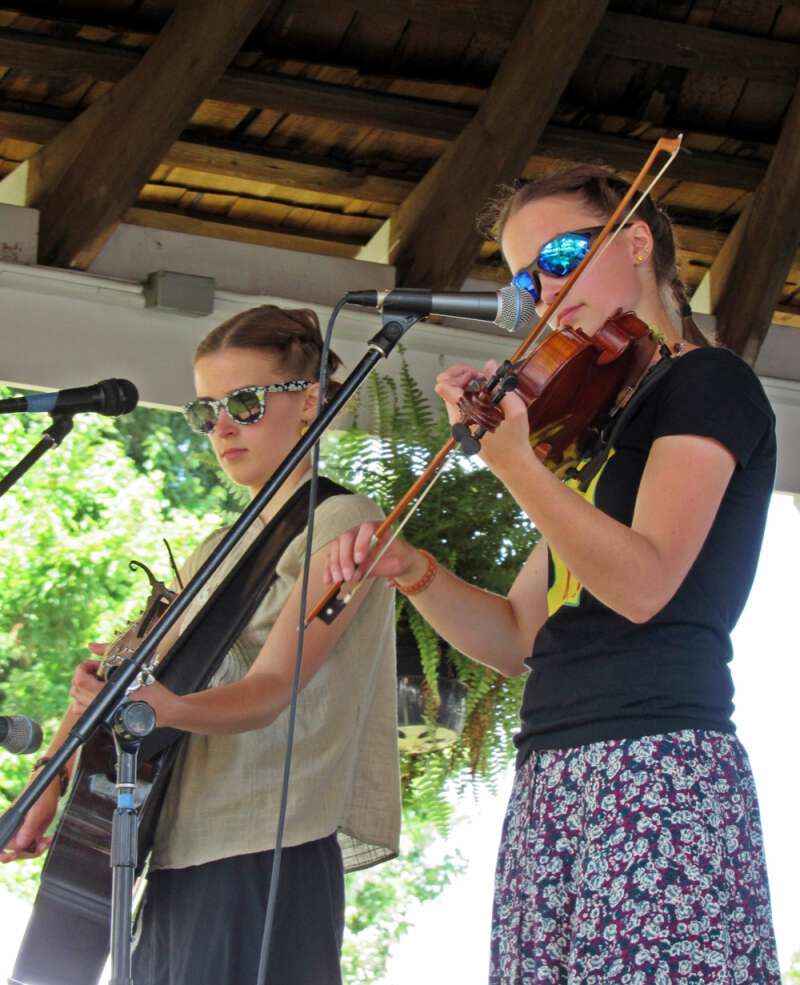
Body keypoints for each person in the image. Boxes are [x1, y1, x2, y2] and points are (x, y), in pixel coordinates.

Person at [324, 166, 781, 984]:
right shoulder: (597, 426)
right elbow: (518, 637)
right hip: (554, 771)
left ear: (637, 241)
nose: (542, 289)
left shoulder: (708, 384)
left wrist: (517, 466)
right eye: (526, 275)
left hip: (656, 768)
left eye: (562, 255)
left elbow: (644, 585)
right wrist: (414, 569)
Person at [2, 305, 401, 985]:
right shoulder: (214, 546)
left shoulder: (342, 519)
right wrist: (47, 785)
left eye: (244, 403)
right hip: (176, 848)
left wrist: (162, 708)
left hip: (266, 852)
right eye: (206, 410)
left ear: (309, 403)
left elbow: (271, 688)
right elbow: (118, 676)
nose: (221, 426)